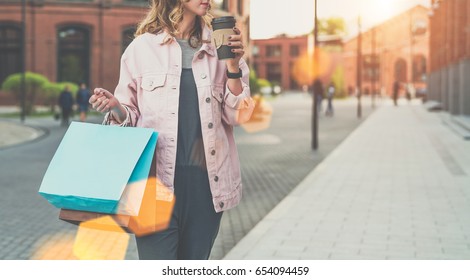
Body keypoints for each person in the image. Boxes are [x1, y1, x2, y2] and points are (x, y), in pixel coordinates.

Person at [89, 0, 254, 260]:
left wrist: (233, 66)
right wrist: (115, 107)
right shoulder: (142, 49)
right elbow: (129, 115)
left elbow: (238, 116)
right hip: (154, 186)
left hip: (207, 188)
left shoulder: (219, 48)